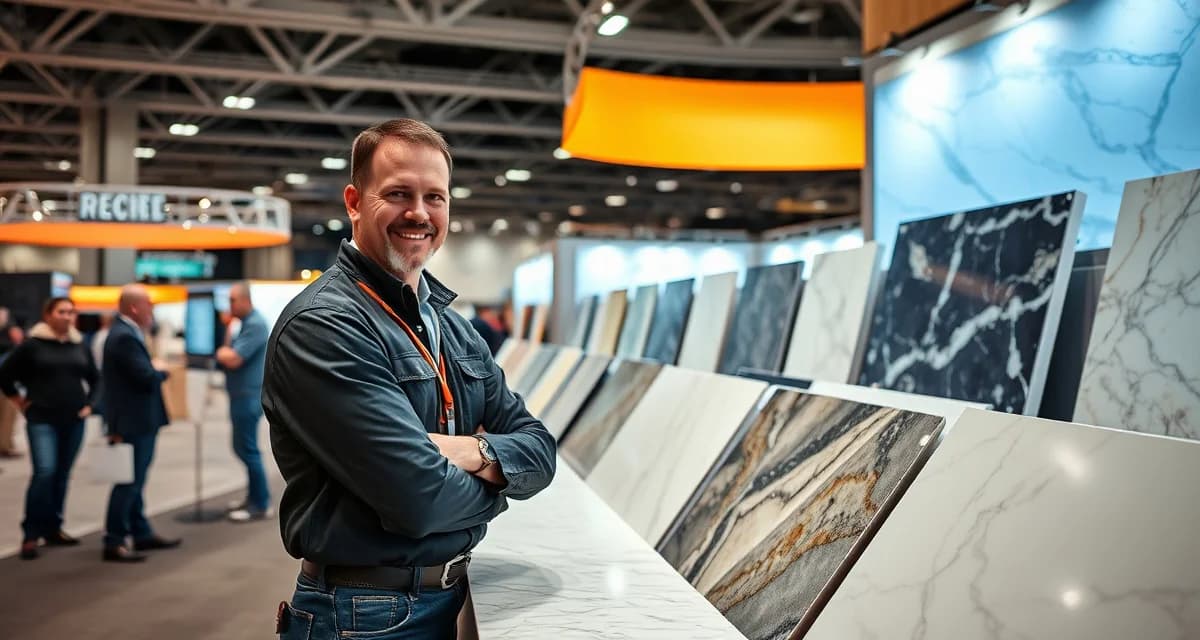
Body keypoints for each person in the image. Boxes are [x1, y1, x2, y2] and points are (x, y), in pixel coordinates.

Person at [263, 118, 556, 639]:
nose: (419, 213)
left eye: (434, 197)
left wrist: (477, 453)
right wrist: (499, 490)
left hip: (445, 598)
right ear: (354, 201)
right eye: (398, 193)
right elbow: (419, 498)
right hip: (363, 616)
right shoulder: (326, 325)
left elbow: (540, 450)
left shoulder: (454, 329)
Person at [0, 297, 96, 560]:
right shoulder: (33, 346)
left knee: (62, 474)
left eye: (71, 312)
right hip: (42, 419)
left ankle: (53, 527)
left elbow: (95, 378)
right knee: (45, 472)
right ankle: (31, 533)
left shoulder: (79, 345)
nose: (67, 316)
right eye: (62, 311)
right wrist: (20, 402)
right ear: (48, 315)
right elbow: (5, 375)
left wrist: (90, 405)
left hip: (73, 419)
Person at [100, 284, 181, 563]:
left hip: (137, 420)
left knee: (135, 480)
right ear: (135, 307)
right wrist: (160, 370)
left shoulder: (126, 333)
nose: (152, 310)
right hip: (133, 422)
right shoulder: (123, 336)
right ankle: (114, 540)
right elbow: (144, 377)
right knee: (129, 482)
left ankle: (140, 532)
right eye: (149, 304)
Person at [215, 282, 272, 522]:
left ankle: (260, 503)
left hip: (248, 397)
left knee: (248, 450)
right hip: (240, 395)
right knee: (242, 448)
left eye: (232, 301)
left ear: (245, 300)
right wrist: (228, 330)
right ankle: (253, 498)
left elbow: (234, 358)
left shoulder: (256, 324)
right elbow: (229, 352)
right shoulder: (244, 324)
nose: (229, 306)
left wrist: (222, 353)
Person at [0, 306, 25, 458]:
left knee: (8, 417)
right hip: (5, 383)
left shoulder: (10, 340)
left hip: (8, 383)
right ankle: (5, 446)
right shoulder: (7, 341)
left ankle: (6, 445)